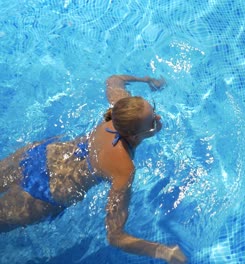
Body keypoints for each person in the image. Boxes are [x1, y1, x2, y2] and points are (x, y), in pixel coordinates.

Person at [0, 75, 187, 264]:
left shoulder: (119, 111)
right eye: (152, 121)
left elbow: (114, 80)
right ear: (134, 134)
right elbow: (115, 236)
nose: (158, 117)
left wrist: (146, 79)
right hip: (45, 194)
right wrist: (163, 251)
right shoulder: (124, 168)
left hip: (37, 156)